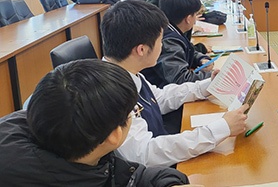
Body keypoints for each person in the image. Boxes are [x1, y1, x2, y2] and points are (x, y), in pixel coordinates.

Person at [101, 0, 249, 167]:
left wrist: (207, 86)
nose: (162, 46)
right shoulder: (111, 95)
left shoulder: (126, 72)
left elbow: (161, 98)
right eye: (160, 41)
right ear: (141, 50)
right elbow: (145, 154)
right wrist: (220, 129)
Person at [0, 60, 190, 186]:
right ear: (114, 135)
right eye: (134, 112)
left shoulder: (51, 124)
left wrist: (169, 183)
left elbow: (126, 174)